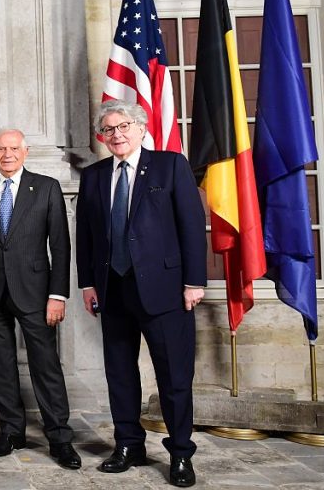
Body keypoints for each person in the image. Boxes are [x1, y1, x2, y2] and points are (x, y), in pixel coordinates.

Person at [76, 100, 206, 488]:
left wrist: (194, 282)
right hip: (113, 290)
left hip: (166, 292)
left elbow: (191, 225)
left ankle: (181, 453)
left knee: (174, 376)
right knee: (119, 374)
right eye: (109, 129)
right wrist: (87, 284)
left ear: (141, 127)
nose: (117, 134)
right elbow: (85, 235)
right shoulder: (94, 175)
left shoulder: (169, 165)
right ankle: (129, 445)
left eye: (124, 126)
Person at [0, 129, 80, 469]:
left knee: (45, 365)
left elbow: (60, 247)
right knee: (0, 365)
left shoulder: (46, 187)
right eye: (1, 149)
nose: (7, 154)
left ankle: (59, 436)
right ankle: (11, 431)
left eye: (13, 148)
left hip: (35, 293)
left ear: (25, 151)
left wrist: (57, 295)